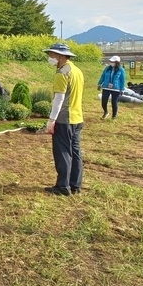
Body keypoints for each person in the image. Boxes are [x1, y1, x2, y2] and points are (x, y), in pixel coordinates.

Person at [43, 43, 84, 196]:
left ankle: (62, 187)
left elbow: (59, 99)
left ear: (60, 56)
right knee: (75, 151)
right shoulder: (77, 70)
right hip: (78, 118)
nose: (49, 58)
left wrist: (51, 120)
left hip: (64, 119)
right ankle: (75, 185)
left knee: (63, 153)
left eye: (51, 55)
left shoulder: (62, 73)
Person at [97, 55, 126, 120]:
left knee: (114, 102)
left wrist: (122, 89)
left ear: (117, 62)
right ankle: (106, 112)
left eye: (113, 61)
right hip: (106, 87)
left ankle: (114, 116)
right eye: (110, 61)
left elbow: (122, 80)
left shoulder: (121, 70)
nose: (111, 62)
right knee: (104, 101)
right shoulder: (107, 68)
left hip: (116, 88)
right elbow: (103, 76)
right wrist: (99, 83)